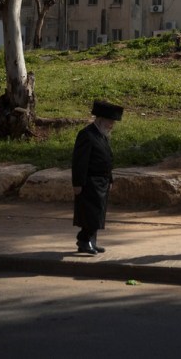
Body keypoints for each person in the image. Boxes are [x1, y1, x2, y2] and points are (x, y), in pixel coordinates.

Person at [72, 100, 124, 255]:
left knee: (97, 215)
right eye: (110, 121)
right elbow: (79, 162)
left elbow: (107, 160)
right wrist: (78, 183)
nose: (111, 125)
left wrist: (110, 179)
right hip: (89, 182)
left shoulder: (101, 136)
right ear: (101, 120)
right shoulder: (86, 135)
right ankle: (83, 240)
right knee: (91, 215)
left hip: (102, 182)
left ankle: (90, 242)